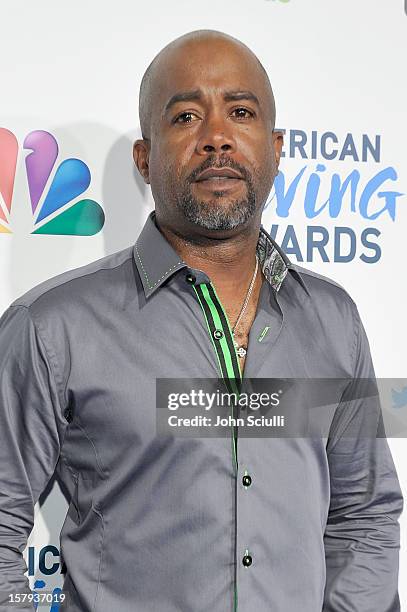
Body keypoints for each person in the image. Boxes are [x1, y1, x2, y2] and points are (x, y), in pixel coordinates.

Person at [0, 29, 403, 612]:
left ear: (277, 147)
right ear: (145, 156)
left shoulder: (333, 319)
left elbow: (364, 515)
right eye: (187, 116)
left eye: (241, 113)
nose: (218, 137)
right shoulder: (51, 327)